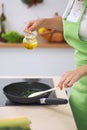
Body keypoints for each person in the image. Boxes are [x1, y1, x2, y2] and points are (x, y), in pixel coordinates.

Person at [24, 0, 87, 129]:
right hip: (81, 84)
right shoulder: (75, 1)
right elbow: (68, 22)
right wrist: (43, 22)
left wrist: (84, 69)